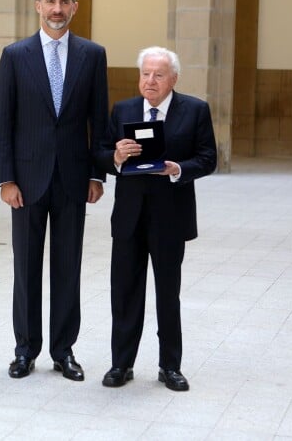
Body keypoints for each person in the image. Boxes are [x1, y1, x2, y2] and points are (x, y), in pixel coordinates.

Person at [0, 0, 109, 381]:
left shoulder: (93, 56)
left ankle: (64, 350)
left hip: (74, 181)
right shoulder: (15, 55)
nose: (57, 9)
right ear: (37, 5)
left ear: (75, 7)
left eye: (64, 2)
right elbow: (2, 122)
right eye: (50, 1)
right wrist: (6, 179)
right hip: (25, 182)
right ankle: (25, 350)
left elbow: (100, 121)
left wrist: (98, 174)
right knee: (26, 268)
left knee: (67, 267)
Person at [95, 46, 217, 391]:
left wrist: (179, 169)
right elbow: (100, 154)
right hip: (129, 219)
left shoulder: (194, 110)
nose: (150, 81)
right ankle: (121, 364)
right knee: (124, 292)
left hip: (170, 218)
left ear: (173, 79)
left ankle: (170, 366)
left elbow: (208, 158)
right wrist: (116, 157)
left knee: (168, 294)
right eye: (145, 74)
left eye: (158, 75)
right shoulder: (124, 109)